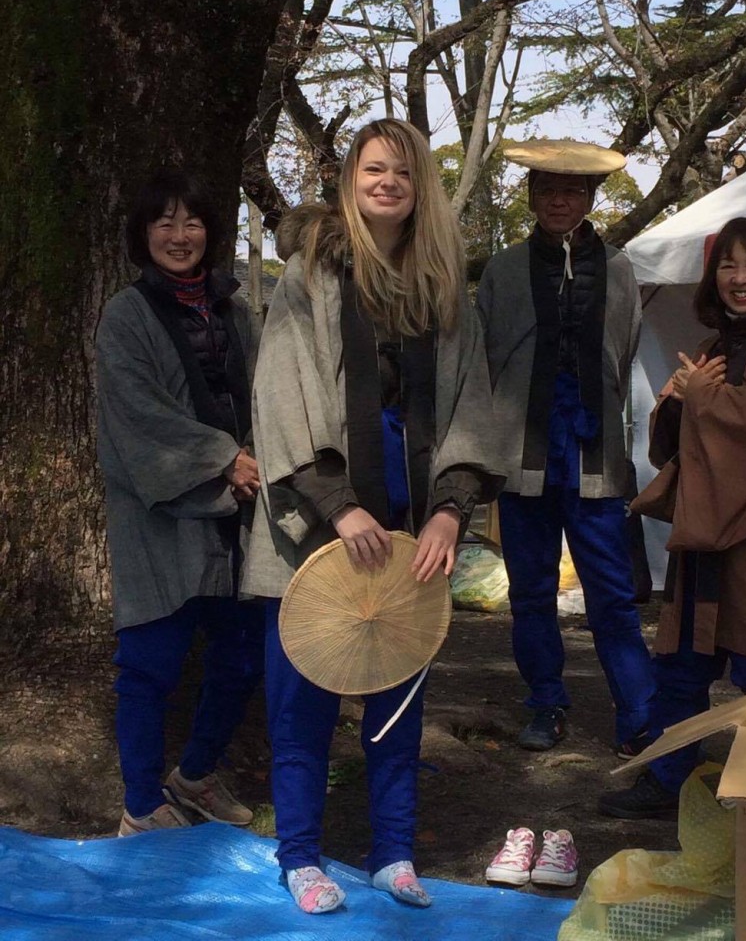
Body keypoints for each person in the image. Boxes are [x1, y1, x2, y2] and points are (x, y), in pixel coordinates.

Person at [242, 118, 503, 914]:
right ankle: (301, 858)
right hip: (312, 528)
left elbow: (473, 407)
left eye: (402, 172)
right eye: (372, 169)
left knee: (398, 704)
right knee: (302, 702)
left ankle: (392, 852)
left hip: (409, 529)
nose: (387, 182)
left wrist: (453, 512)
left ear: (421, 187)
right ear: (350, 183)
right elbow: (284, 392)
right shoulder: (310, 276)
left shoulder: (442, 291)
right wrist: (337, 506)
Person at [96, 169, 264, 836]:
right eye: (162, 221)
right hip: (160, 515)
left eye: (191, 221)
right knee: (151, 664)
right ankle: (140, 805)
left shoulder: (237, 309)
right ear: (141, 234)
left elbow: (264, 392)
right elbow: (136, 411)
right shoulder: (125, 314)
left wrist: (252, 460)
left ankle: (194, 776)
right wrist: (223, 457)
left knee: (244, 654)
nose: (178, 234)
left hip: (240, 513)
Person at [476, 140, 655, 755]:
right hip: (522, 461)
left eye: (573, 190)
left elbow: (621, 354)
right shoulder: (501, 271)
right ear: (530, 196)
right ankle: (546, 704)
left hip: (595, 459)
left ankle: (639, 715)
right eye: (547, 189)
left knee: (614, 595)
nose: (559, 199)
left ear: (590, 198)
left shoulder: (623, 269)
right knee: (530, 593)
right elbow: (487, 359)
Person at [599, 214, 746, 818]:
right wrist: (674, 402)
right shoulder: (714, 347)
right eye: (728, 265)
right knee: (682, 669)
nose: (740, 278)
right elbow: (674, 445)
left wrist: (704, 397)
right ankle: (668, 781)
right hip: (705, 542)